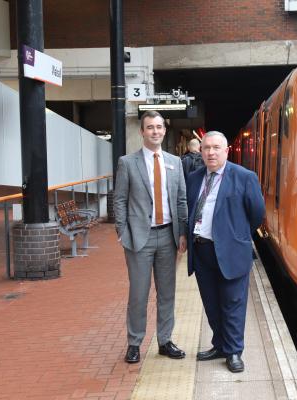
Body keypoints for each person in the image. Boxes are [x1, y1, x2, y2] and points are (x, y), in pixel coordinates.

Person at [186, 130, 265, 373]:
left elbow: (257, 214)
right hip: (202, 252)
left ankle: (233, 352)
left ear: (226, 151)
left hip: (231, 252)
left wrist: (237, 237)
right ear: (201, 151)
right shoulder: (195, 177)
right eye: (206, 148)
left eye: (216, 148)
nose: (210, 152)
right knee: (211, 304)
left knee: (233, 304)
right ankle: (219, 345)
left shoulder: (244, 177)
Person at [114, 110, 188, 364]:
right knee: (139, 294)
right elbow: (120, 199)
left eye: (159, 127)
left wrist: (182, 233)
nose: (155, 131)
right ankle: (134, 343)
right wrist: (122, 231)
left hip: (168, 236)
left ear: (164, 131)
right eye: (150, 127)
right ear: (142, 131)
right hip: (139, 239)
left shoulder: (174, 162)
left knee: (167, 293)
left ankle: (165, 341)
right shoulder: (127, 162)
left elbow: (181, 200)